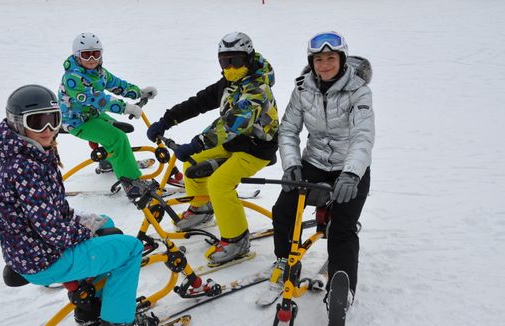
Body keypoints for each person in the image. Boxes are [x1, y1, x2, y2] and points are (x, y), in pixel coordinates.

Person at [0, 84, 158, 326]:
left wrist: (87, 224)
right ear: (18, 124)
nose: (47, 130)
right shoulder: (26, 168)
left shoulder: (27, 154)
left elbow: (51, 212)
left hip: (32, 251)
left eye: (52, 120)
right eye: (37, 122)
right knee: (131, 249)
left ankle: (91, 308)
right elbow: (54, 231)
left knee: (107, 223)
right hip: (44, 259)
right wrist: (85, 231)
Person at [262, 31, 374, 307]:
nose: (324, 65)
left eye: (331, 58)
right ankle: (285, 259)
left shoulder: (359, 91)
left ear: (342, 59)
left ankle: (341, 286)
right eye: (319, 59)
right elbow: (288, 130)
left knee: (342, 227)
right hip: (313, 162)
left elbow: (362, 136)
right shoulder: (303, 89)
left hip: (349, 167)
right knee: (285, 209)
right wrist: (291, 165)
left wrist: (351, 173)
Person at [146, 32, 279, 264]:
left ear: (247, 59)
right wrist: (167, 120)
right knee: (192, 160)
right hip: (233, 144)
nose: (229, 67)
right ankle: (202, 207)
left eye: (235, 61)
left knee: (220, 183)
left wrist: (197, 142)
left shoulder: (258, 89)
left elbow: (233, 122)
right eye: (224, 62)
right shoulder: (229, 82)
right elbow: (199, 102)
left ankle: (237, 240)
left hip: (256, 149)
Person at [58, 32, 158, 199]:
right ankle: (133, 184)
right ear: (77, 56)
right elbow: (98, 99)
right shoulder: (72, 78)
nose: (91, 59)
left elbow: (117, 85)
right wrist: (125, 108)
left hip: (93, 115)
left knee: (117, 130)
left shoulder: (99, 72)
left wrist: (139, 92)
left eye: (96, 54)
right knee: (117, 138)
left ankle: (110, 161)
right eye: (86, 54)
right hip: (77, 121)